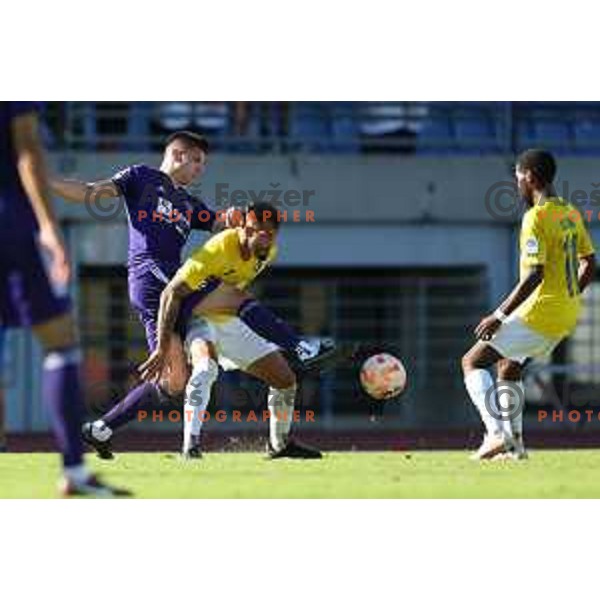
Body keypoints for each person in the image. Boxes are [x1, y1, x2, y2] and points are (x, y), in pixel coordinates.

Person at [50, 131, 334, 459]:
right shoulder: (141, 177)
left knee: (173, 382)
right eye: (197, 160)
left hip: (173, 285)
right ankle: (300, 346)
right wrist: (44, 182)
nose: (200, 168)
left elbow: (218, 221)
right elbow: (89, 192)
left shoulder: (187, 202)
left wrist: (238, 217)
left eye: (203, 163)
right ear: (179, 154)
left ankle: (100, 429)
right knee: (233, 298)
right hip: (151, 276)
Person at [0, 102, 128, 496]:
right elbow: (27, 150)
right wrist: (50, 227)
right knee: (60, 342)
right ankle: (73, 472)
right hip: (7, 223)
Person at [140, 202, 323, 459]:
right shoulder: (217, 248)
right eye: (256, 231)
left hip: (229, 319)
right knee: (205, 370)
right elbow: (171, 292)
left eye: (270, 234)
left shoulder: (268, 252)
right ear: (243, 228)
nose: (263, 239)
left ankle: (279, 445)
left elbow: (236, 295)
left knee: (286, 380)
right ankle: (190, 447)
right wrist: (163, 345)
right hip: (198, 319)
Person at [462, 149, 596, 461]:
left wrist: (498, 315)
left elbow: (535, 275)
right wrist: (569, 295)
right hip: (565, 314)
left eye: (518, 179)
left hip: (540, 312)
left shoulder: (535, 217)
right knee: (509, 367)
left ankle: (496, 434)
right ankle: (516, 447)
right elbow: (589, 263)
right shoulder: (570, 212)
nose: (517, 185)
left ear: (530, 177)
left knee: (472, 361)